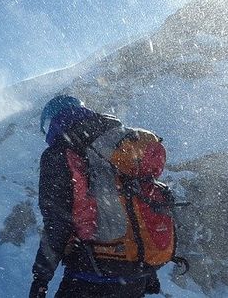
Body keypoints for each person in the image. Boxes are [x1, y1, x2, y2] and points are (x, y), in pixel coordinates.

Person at [29, 95, 160, 298]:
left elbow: (57, 223)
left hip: (91, 272)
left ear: (55, 120)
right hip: (135, 275)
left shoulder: (59, 154)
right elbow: (138, 203)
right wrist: (148, 270)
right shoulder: (116, 142)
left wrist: (40, 278)